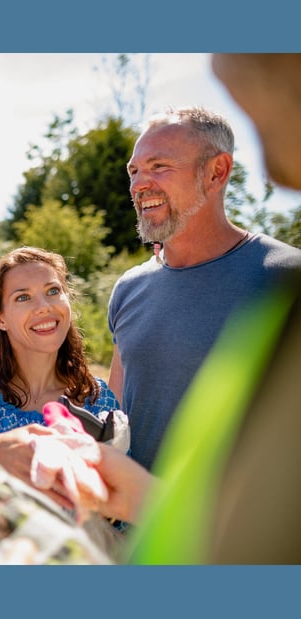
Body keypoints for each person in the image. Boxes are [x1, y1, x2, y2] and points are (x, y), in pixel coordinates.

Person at [107, 105, 301, 471]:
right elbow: (117, 411)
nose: (137, 185)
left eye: (159, 166)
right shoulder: (128, 289)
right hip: (134, 526)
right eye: (134, 171)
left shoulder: (286, 278)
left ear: (217, 172)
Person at [0, 246, 120, 481]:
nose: (44, 306)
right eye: (23, 297)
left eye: (53, 291)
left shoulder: (97, 400)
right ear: (0, 319)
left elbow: (115, 507)